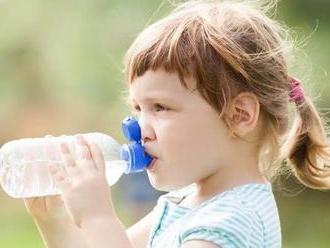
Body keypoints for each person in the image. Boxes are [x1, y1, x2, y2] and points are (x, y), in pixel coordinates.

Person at [24, 0, 330, 247]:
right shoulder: (181, 205)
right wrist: (56, 221)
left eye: (160, 107)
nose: (139, 128)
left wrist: (98, 218)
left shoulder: (233, 222)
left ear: (239, 115)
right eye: (138, 108)